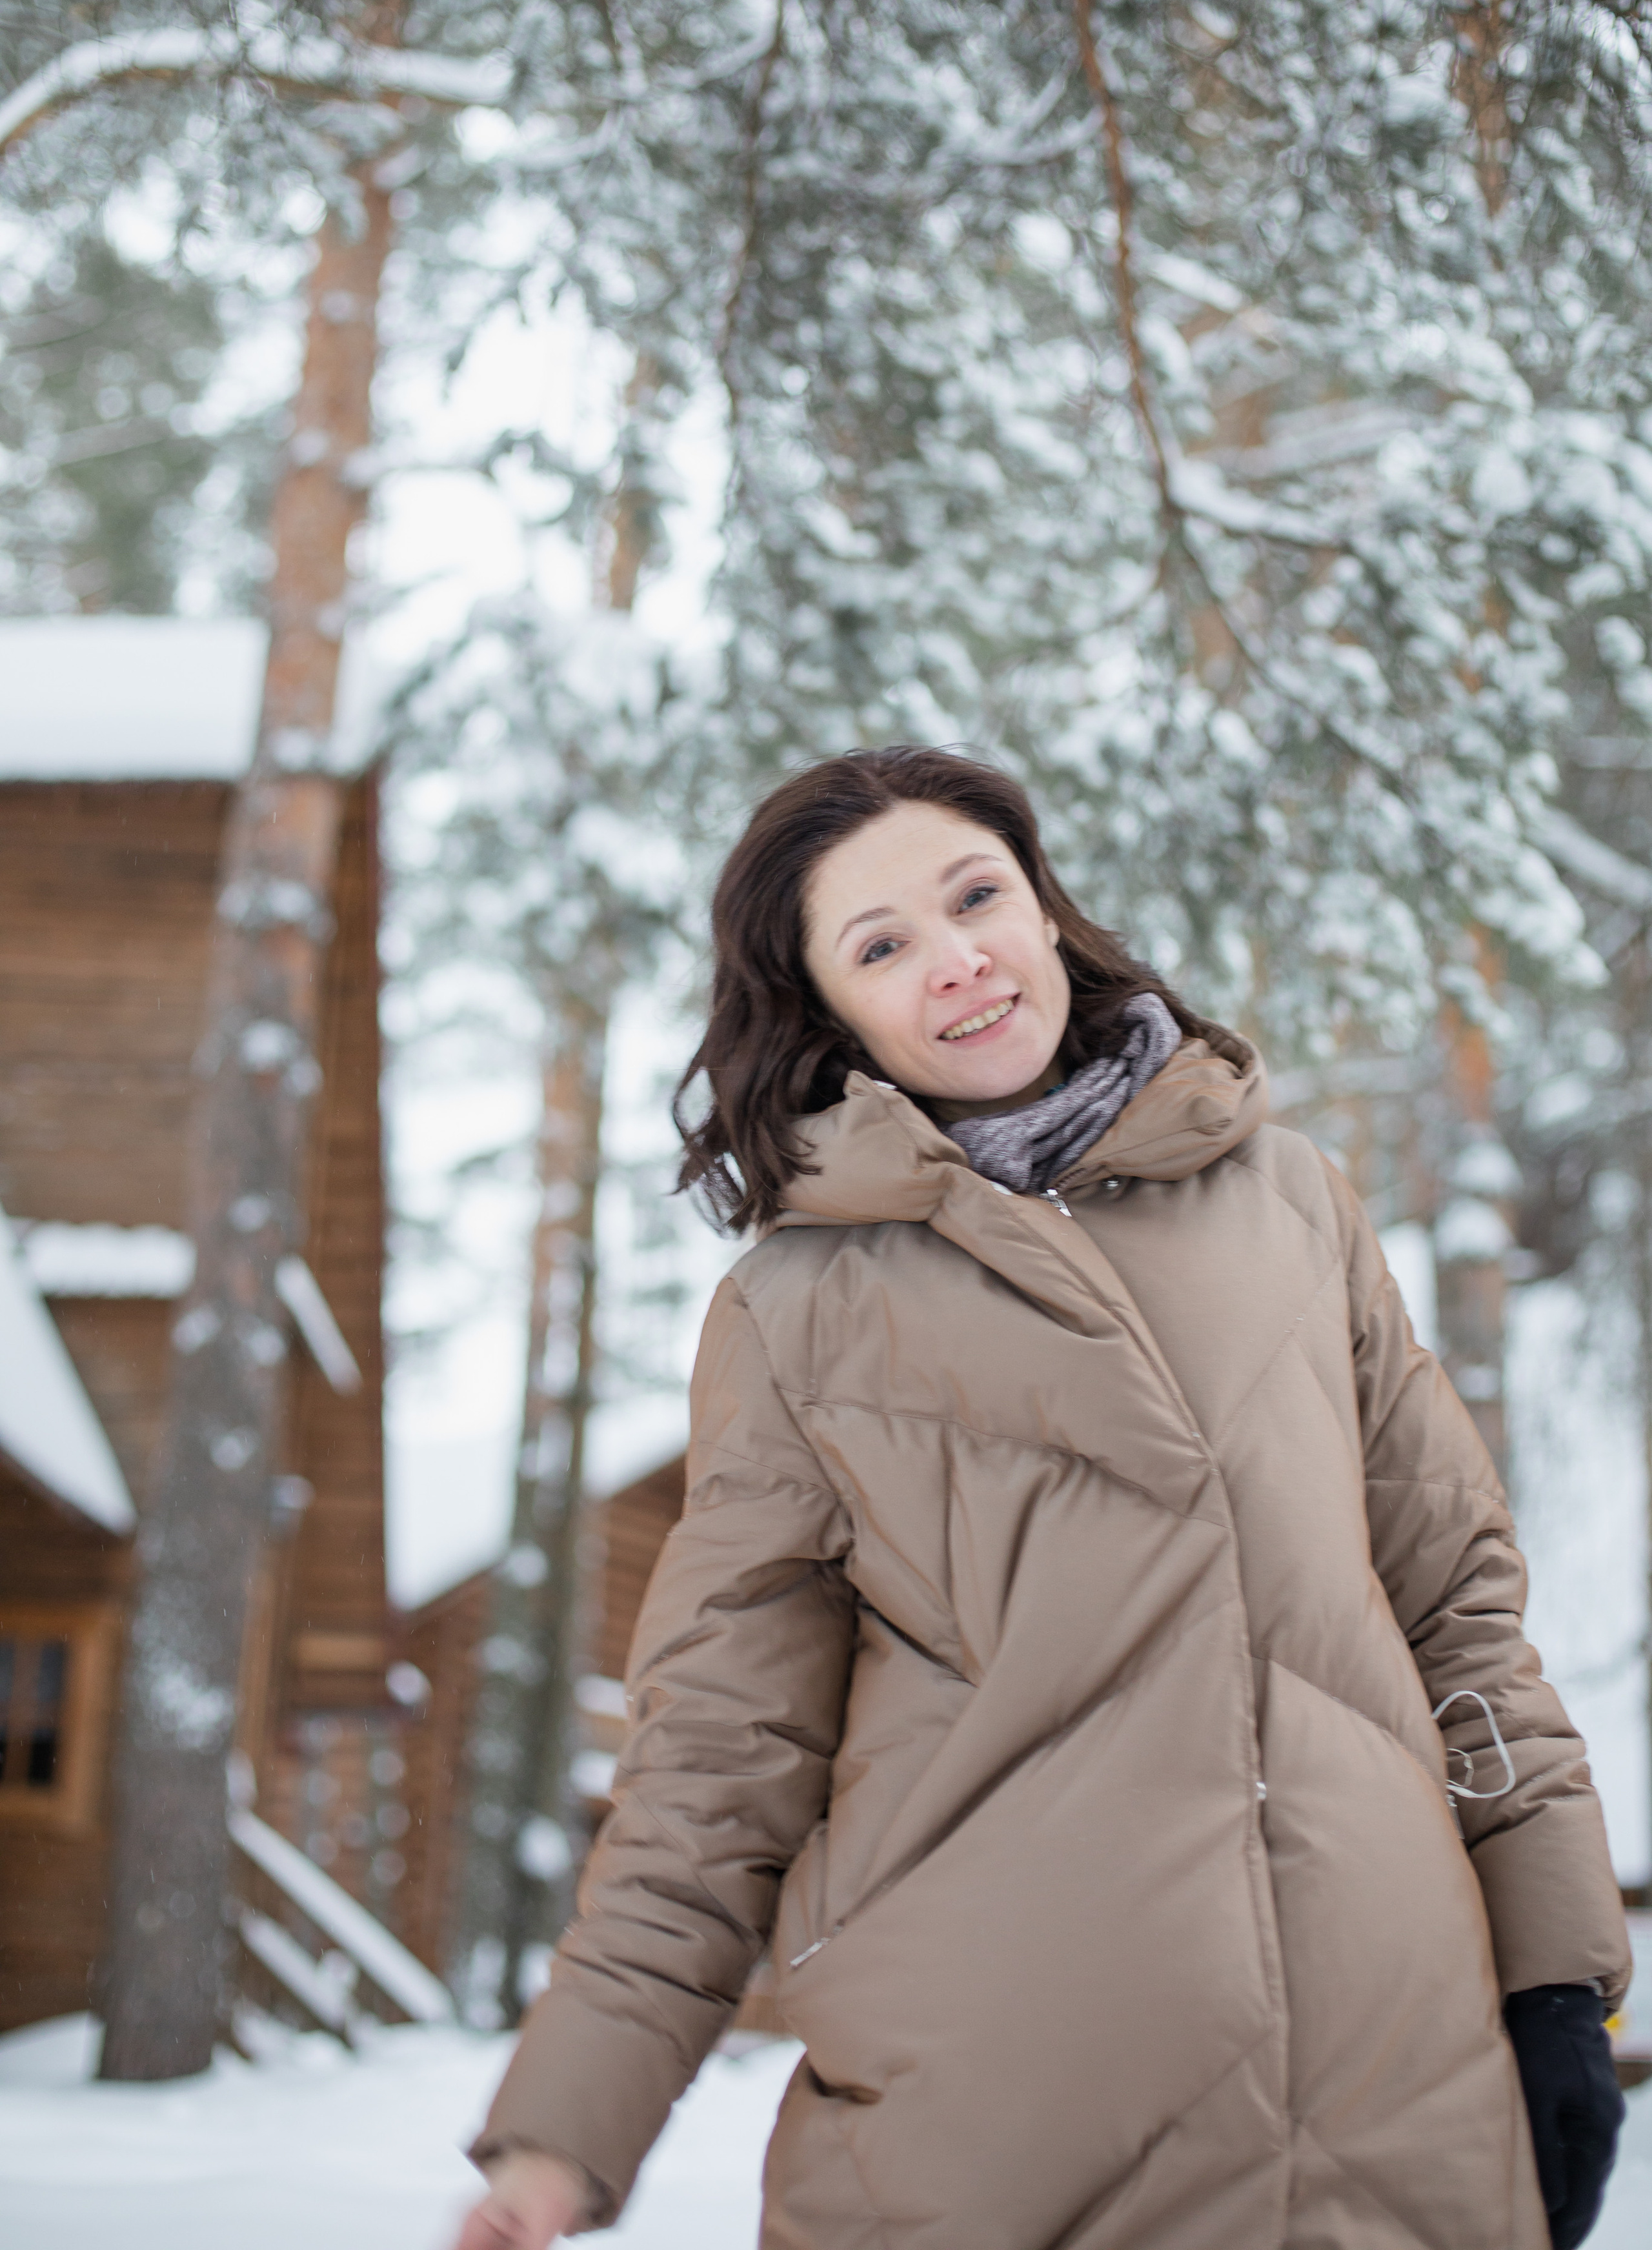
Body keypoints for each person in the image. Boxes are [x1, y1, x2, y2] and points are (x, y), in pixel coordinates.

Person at [457, 747, 1630, 2250]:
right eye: (882, 945)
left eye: (975, 898)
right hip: (998, 2150)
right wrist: (564, 2135)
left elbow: (1455, 1619)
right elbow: (716, 1761)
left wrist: (1550, 1987)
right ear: (826, 1008)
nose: (955, 963)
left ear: (1045, 911)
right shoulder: (798, 1313)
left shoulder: (1287, 1203)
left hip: (1398, 2108)